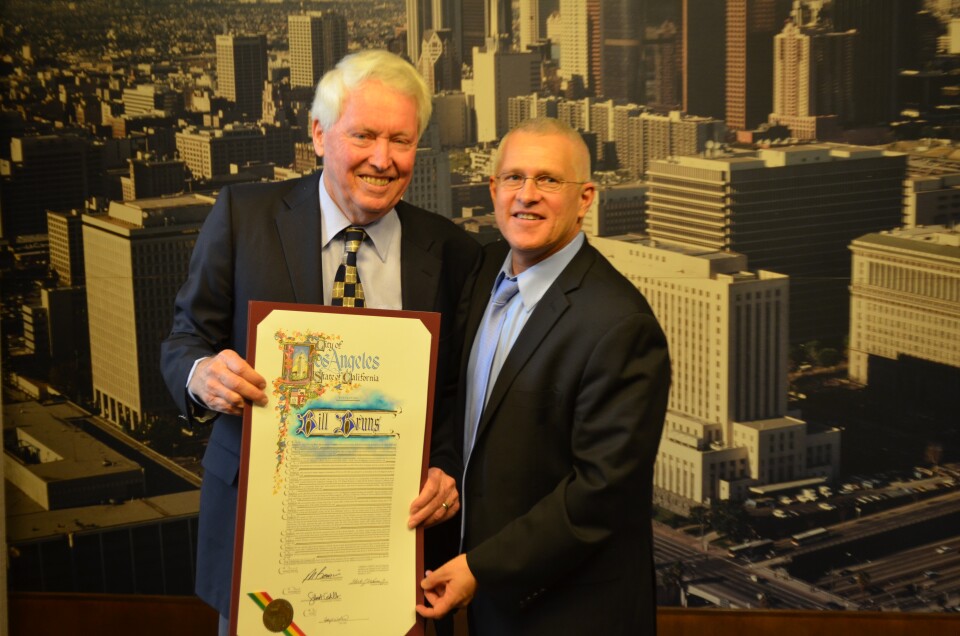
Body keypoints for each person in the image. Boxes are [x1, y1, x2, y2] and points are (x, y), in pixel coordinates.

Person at [160, 49, 480, 630]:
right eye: (363, 135)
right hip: (262, 539)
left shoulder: (452, 251)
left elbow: (455, 392)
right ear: (318, 134)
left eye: (401, 141)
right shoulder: (244, 217)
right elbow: (185, 339)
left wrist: (445, 469)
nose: (382, 160)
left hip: (390, 544)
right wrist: (201, 377)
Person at [415, 118, 671, 635]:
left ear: (586, 198)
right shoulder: (482, 271)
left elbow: (600, 495)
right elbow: (460, 406)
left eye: (549, 180)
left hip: (567, 612)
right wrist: (442, 463)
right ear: (493, 190)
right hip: (477, 603)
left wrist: (480, 568)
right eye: (513, 178)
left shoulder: (621, 325)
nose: (526, 196)